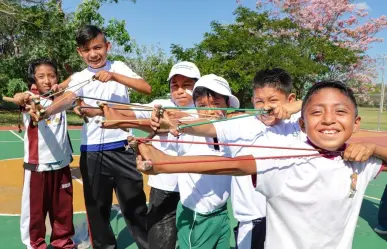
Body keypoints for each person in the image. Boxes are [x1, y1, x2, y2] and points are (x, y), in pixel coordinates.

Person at [137, 80, 387, 249]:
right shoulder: (283, 153)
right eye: (318, 113)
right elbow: (232, 165)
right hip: (246, 219)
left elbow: (317, 99)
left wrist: (373, 148)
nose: (329, 119)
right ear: (304, 124)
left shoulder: (359, 162)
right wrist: (167, 162)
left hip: (229, 216)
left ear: (356, 123)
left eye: (340, 112)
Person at [153, 68, 305, 249]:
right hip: (248, 220)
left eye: (273, 100)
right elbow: (206, 127)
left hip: (283, 218)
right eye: (259, 101)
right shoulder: (240, 125)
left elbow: (323, 104)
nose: (266, 107)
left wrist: (293, 107)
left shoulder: (299, 124)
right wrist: (174, 123)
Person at [40, 25, 151, 249]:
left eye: (98, 47)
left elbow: (145, 88)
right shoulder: (79, 77)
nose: (93, 54)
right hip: (91, 152)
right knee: (97, 209)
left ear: (107, 46)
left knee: (134, 205)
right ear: (79, 52)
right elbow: (64, 98)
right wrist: (43, 112)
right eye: (86, 49)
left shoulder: (118, 67)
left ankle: (148, 245)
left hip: (122, 147)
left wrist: (114, 76)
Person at [168, 74, 236, 249]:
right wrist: (171, 121)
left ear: (228, 106)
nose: (210, 111)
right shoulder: (188, 128)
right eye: (203, 106)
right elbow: (180, 122)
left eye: (217, 104)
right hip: (196, 216)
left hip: (221, 212)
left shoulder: (232, 129)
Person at [13, 58, 75, 249]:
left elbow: (73, 88)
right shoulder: (31, 98)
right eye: (41, 76)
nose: (47, 80)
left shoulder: (61, 98)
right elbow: (19, 97)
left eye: (52, 75)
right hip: (37, 166)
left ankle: (63, 243)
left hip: (62, 164)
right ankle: (36, 244)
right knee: (35, 212)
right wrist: (20, 97)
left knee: (63, 211)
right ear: (34, 80)